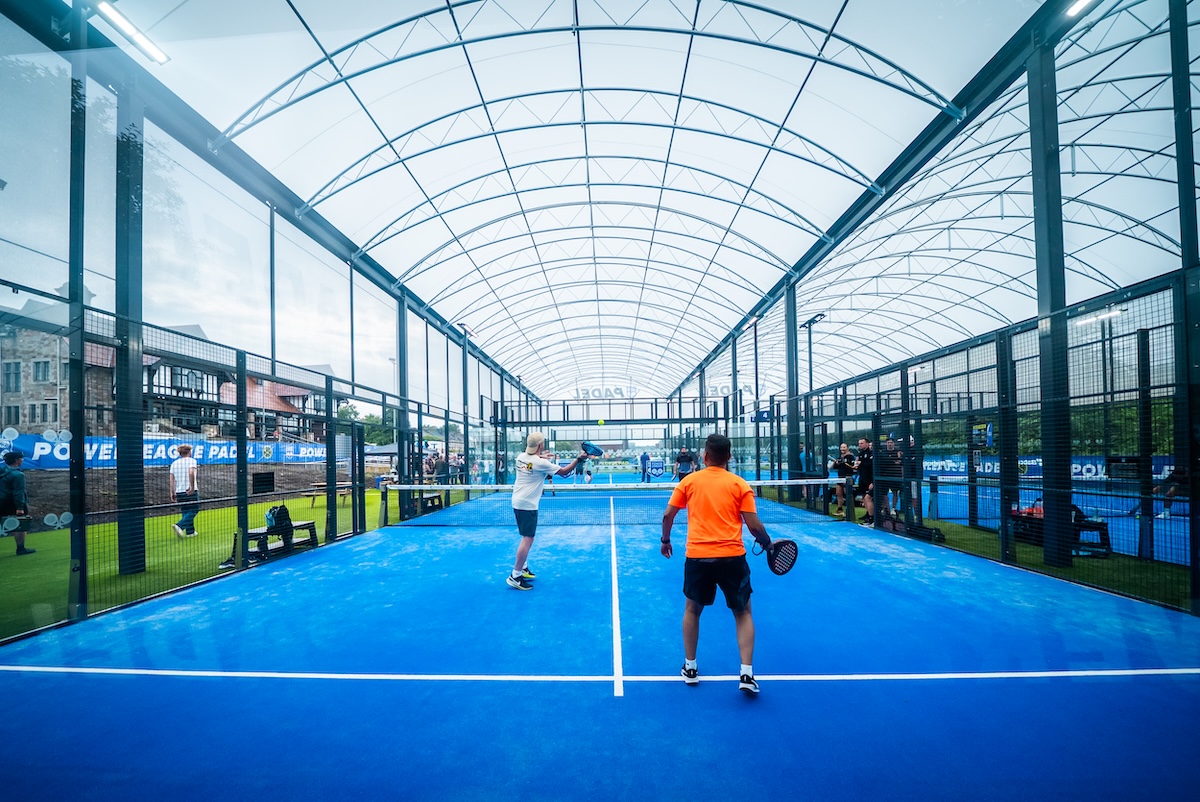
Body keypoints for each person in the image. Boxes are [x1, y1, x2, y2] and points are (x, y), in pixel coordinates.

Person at [661, 433, 772, 694]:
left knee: (692, 610)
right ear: (729, 457)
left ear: (704, 455)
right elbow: (753, 525)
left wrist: (665, 540)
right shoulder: (739, 484)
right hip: (732, 557)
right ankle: (746, 674)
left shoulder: (689, 482)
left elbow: (668, 515)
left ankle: (690, 668)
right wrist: (768, 544)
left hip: (698, 557)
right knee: (743, 612)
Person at [507, 433, 588, 590]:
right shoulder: (540, 463)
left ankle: (523, 567)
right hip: (528, 504)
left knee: (525, 536)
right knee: (528, 538)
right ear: (540, 446)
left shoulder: (521, 457)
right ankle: (515, 575)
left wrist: (543, 456)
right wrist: (579, 459)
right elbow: (564, 472)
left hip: (517, 501)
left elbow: (533, 461)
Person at [0, 450, 35, 555]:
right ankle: (21, 548)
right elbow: (18, 492)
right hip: (11, 503)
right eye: (21, 458)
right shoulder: (18, 475)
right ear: (17, 460)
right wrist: (20, 507)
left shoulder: (2, 471)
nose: (22, 460)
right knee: (20, 524)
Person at [169, 444, 200, 538]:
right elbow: (191, 472)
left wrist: (172, 492)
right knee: (194, 509)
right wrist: (192, 487)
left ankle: (190, 532)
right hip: (189, 490)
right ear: (189, 452)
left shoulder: (174, 463)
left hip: (179, 491)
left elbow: (172, 479)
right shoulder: (192, 461)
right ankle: (179, 525)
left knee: (185, 510)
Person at [878, 437, 903, 519]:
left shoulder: (898, 452)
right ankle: (885, 508)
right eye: (888, 442)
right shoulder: (883, 452)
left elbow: (899, 462)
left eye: (891, 442)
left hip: (895, 475)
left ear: (894, 443)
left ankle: (893, 508)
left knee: (895, 492)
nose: (889, 444)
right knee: (884, 494)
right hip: (885, 476)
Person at [830, 443, 857, 516]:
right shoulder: (840, 457)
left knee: (847, 494)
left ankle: (849, 511)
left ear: (847, 448)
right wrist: (837, 463)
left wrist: (843, 463)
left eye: (844, 447)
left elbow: (852, 466)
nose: (842, 449)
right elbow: (835, 467)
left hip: (847, 478)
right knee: (838, 493)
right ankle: (840, 510)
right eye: (841, 447)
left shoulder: (850, 456)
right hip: (840, 478)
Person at [855, 437, 875, 526]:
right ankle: (868, 514)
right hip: (862, 478)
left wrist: (872, 482)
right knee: (864, 497)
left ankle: (872, 518)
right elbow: (859, 467)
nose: (860, 445)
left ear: (867, 444)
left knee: (869, 498)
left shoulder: (871, 453)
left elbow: (871, 466)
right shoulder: (860, 454)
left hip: (869, 479)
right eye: (859, 443)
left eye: (861, 443)